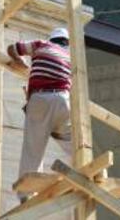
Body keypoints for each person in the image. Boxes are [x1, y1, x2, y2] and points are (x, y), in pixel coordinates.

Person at [7, 27, 72, 203]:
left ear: (52, 39)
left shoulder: (40, 44)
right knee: (71, 142)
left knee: (33, 148)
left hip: (40, 100)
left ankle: (26, 194)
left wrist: (20, 62)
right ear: (66, 43)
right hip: (63, 101)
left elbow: (11, 48)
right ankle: (88, 171)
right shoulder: (71, 57)